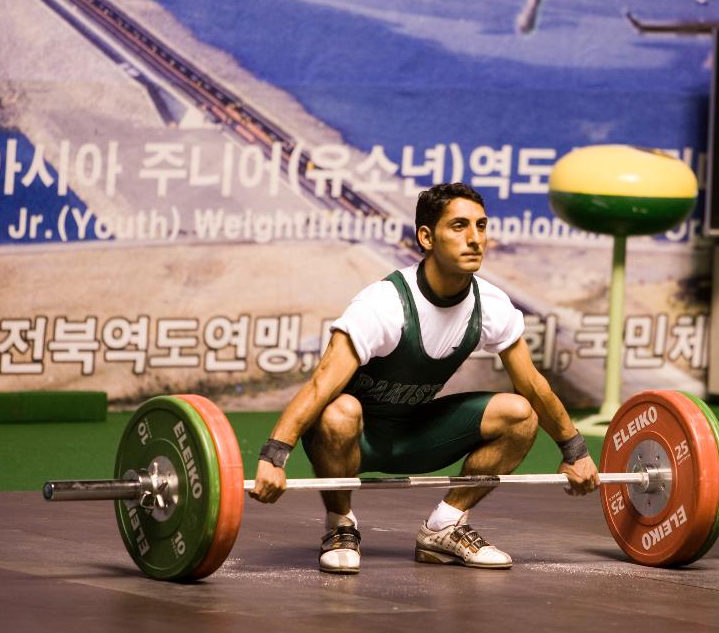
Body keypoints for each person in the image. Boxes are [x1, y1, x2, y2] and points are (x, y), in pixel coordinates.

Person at [248, 182, 600, 573]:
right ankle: (340, 525)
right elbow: (320, 385)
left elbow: (534, 386)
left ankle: (444, 526)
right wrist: (273, 456)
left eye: (481, 226)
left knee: (520, 412)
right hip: (352, 437)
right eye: (459, 226)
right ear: (426, 237)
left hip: (417, 432)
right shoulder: (384, 304)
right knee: (340, 410)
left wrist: (576, 453)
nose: (474, 239)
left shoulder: (491, 305)